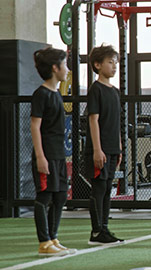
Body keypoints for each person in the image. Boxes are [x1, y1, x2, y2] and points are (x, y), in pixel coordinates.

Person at [31, 47, 76, 256]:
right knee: (44, 197)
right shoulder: (41, 94)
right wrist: (40, 156)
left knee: (60, 197)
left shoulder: (57, 93)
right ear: (55, 68)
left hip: (58, 154)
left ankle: (53, 238)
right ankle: (44, 242)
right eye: (65, 65)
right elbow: (35, 126)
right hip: (46, 154)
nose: (67, 69)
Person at [84, 44, 125, 245]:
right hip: (98, 150)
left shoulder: (115, 92)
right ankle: (96, 232)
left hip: (112, 149)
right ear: (97, 65)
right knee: (98, 190)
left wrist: (118, 148)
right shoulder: (95, 89)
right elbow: (93, 120)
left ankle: (105, 229)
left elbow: (116, 122)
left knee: (108, 190)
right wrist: (97, 149)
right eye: (110, 62)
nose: (114, 66)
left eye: (115, 63)